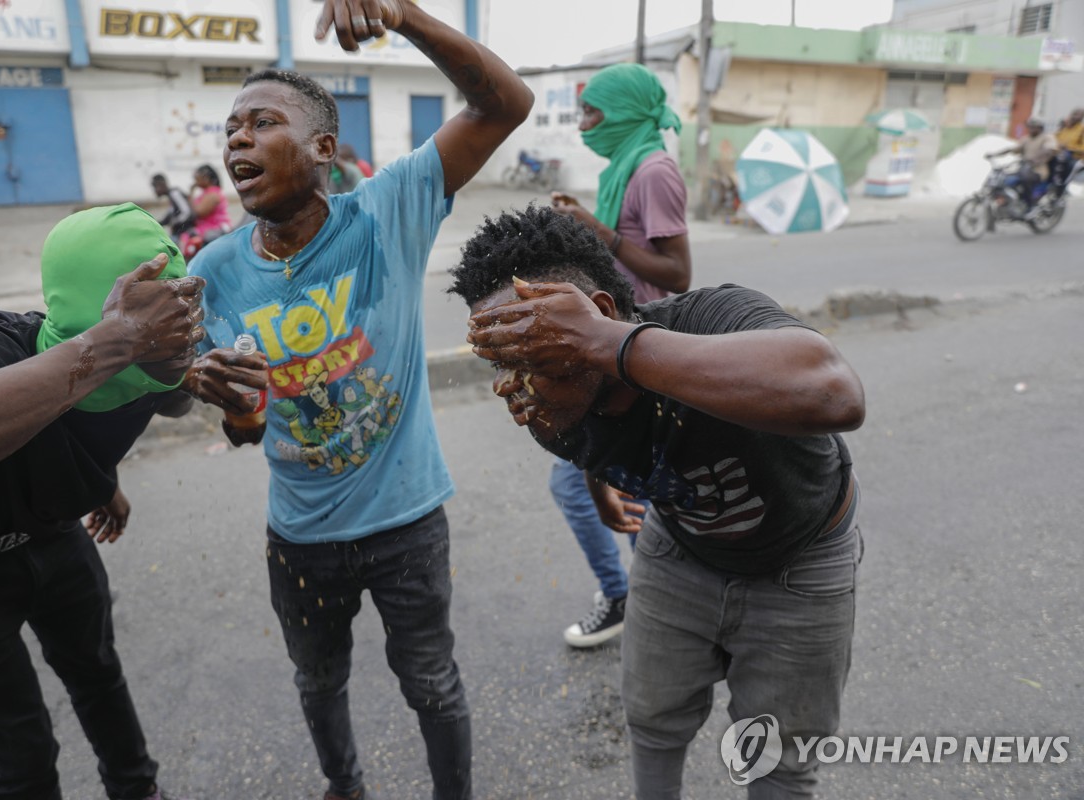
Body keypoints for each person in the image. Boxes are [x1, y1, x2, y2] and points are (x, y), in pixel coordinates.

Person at [183, 3, 532, 798]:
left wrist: (403, 15)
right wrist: (236, 414)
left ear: (322, 149)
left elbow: (504, 105)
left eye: (260, 122)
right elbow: (237, 427)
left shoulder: (389, 210)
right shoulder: (211, 273)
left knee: (432, 683)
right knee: (317, 684)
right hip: (299, 538)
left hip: (408, 522)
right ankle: (346, 786)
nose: (235, 140)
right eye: (229, 130)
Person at [449, 205, 866, 799]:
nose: (509, 386)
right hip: (679, 548)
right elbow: (591, 440)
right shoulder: (548, 410)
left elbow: (834, 393)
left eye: (528, 359)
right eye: (500, 364)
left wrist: (610, 347)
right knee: (652, 720)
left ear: (598, 318)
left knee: (779, 759)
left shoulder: (711, 319)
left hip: (803, 556)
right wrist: (602, 487)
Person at [0, 202, 206, 800]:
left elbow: (160, 395)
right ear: (99, 321)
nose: (175, 327)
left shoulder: (153, 358)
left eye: (178, 306)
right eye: (144, 318)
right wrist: (116, 344)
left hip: (54, 534)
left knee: (99, 676)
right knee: (21, 747)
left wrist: (101, 477)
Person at [546, 63, 692, 649]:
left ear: (627, 111)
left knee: (588, 483)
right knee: (623, 483)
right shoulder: (625, 167)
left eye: (592, 113)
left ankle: (639, 598)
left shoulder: (654, 170)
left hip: (640, 346)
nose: (584, 125)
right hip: (615, 341)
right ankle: (651, 598)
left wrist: (598, 233)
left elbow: (678, 274)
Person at [988, 117, 1060, 217]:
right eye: (1030, 127)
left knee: (1026, 179)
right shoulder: (1026, 139)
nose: (1031, 129)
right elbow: (1013, 149)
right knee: (1005, 179)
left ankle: (1030, 205)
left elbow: (1049, 150)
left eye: (1034, 127)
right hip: (1023, 168)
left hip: (1039, 170)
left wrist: (1037, 159)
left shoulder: (1047, 138)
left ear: (1040, 128)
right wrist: (994, 154)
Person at [151, 173, 196, 238]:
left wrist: (174, 222)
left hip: (186, 232)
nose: (155, 191)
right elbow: (167, 218)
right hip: (180, 232)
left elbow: (186, 212)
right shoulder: (170, 196)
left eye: (155, 187)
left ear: (162, 184)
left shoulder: (174, 193)